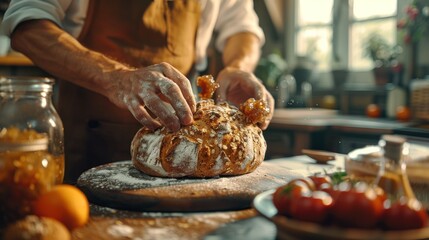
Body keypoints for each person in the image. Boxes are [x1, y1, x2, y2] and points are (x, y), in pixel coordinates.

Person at [1, 0, 274, 182]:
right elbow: (27, 25)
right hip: (88, 140)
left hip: (183, 143)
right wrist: (115, 77)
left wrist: (238, 66)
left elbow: (242, 27)